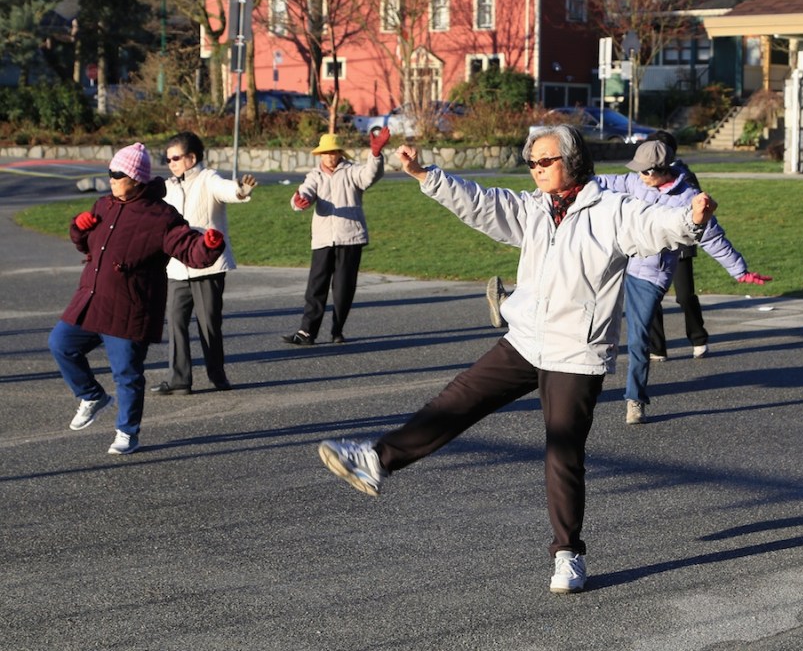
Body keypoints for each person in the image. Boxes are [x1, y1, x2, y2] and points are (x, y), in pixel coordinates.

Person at [317, 125, 718, 594]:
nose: (536, 169)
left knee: (562, 453)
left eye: (545, 161)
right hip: (527, 338)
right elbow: (483, 203)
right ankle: (376, 459)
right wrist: (427, 175)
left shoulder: (612, 209)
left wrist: (690, 219)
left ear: (572, 161)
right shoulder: (533, 208)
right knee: (459, 398)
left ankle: (568, 555)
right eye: (531, 162)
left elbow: (655, 226)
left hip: (576, 350)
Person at [48, 143, 225, 455]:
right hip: (92, 298)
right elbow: (85, 243)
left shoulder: (162, 216)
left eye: (118, 174)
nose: (111, 179)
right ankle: (91, 395)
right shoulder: (104, 205)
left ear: (136, 179)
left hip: (130, 307)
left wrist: (208, 246)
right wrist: (78, 228)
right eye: (110, 173)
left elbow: (187, 248)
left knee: (127, 374)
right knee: (61, 344)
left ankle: (127, 432)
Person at [596, 140, 771, 426]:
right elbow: (597, 182)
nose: (638, 176)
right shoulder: (632, 183)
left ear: (660, 171)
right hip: (616, 262)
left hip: (649, 274)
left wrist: (740, 271)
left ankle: (634, 400)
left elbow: (712, 237)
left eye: (644, 172)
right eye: (637, 171)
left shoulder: (689, 198)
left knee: (640, 338)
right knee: (578, 306)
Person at [151, 131, 257, 396]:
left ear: (192, 157)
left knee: (209, 324)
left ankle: (217, 375)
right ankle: (179, 380)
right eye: (168, 159)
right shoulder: (170, 186)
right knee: (175, 322)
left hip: (208, 266)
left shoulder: (208, 178)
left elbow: (226, 190)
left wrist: (240, 190)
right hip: (177, 267)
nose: (171, 163)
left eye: (175, 158)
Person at [282, 128, 391, 346]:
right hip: (323, 239)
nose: (330, 156)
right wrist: (298, 201)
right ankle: (306, 333)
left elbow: (370, 175)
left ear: (340, 153)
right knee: (316, 286)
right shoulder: (314, 176)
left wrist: (376, 154)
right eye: (326, 152)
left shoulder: (352, 172)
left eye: (334, 152)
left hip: (350, 238)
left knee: (343, 288)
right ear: (320, 155)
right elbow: (305, 192)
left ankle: (337, 330)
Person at [644, 131, 708, 360]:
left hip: (679, 246)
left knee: (684, 295)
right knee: (651, 297)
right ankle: (656, 347)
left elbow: (699, 211)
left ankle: (698, 337)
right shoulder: (644, 177)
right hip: (653, 244)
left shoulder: (685, 177)